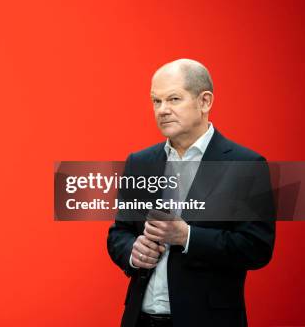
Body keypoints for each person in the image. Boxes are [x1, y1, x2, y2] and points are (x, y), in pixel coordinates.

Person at [107, 59, 275, 327]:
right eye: (156, 101)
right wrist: (132, 251)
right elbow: (119, 232)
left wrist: (187, 237)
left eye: (173, 99)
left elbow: (256, 249)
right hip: (140, 319)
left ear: (204, 102)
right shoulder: (140, 162)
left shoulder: (245, 165)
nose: (162, 110)